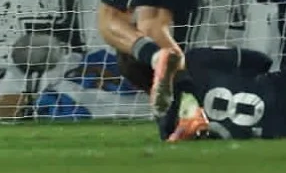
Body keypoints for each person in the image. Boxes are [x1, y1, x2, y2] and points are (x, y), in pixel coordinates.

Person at [117, 48, 285, 142]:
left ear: (137, 84)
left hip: (272, 132)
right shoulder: (195, 58)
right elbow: (263, 61)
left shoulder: (167, 123)